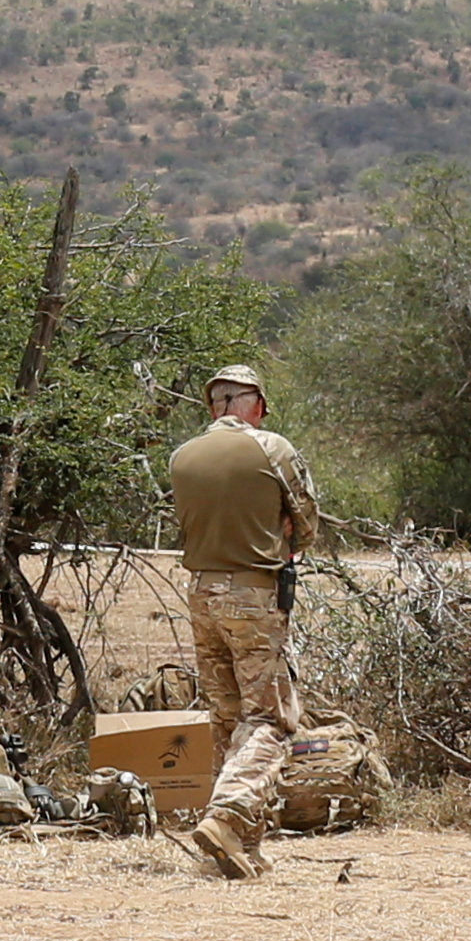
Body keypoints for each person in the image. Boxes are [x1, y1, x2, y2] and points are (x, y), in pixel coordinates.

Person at [165, 360, 322, 881]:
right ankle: (229, 813)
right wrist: (287, 543)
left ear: (214, 404)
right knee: (272, 718)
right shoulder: (272, 448)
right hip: (253, 596)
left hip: (201, 593)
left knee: (228, 717)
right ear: (251, 403)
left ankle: (241, 844)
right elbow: (306, 522)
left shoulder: (181, 457)